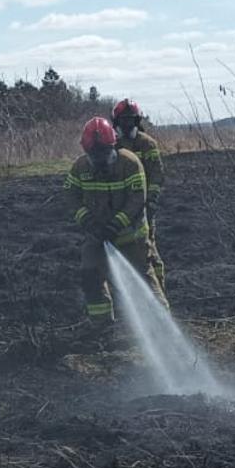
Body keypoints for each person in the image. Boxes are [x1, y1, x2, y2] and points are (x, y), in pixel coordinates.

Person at [66, 117, 166, 324]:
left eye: (103, 153)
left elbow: (137, 199)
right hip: (97, 237)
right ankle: (102, 326)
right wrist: (87, 221)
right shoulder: (80, 168)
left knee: (143, 279)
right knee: (90, 273)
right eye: (94, 155)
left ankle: (162, 324)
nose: (99, 159)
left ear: (113, 146)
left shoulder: (130, 163)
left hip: (131, 236)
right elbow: (70, 196)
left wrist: (116, 224)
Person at [111, 99, 166, 290]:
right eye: (123, 120)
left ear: (137, 121)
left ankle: (158, 288)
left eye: (130, 120)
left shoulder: (146, 144)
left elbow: (157, 175)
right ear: (116, 121)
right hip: (120, 206)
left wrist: (150, 201)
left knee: (148, 249)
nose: (127, 124)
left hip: (143, 207)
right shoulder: (112, 144)